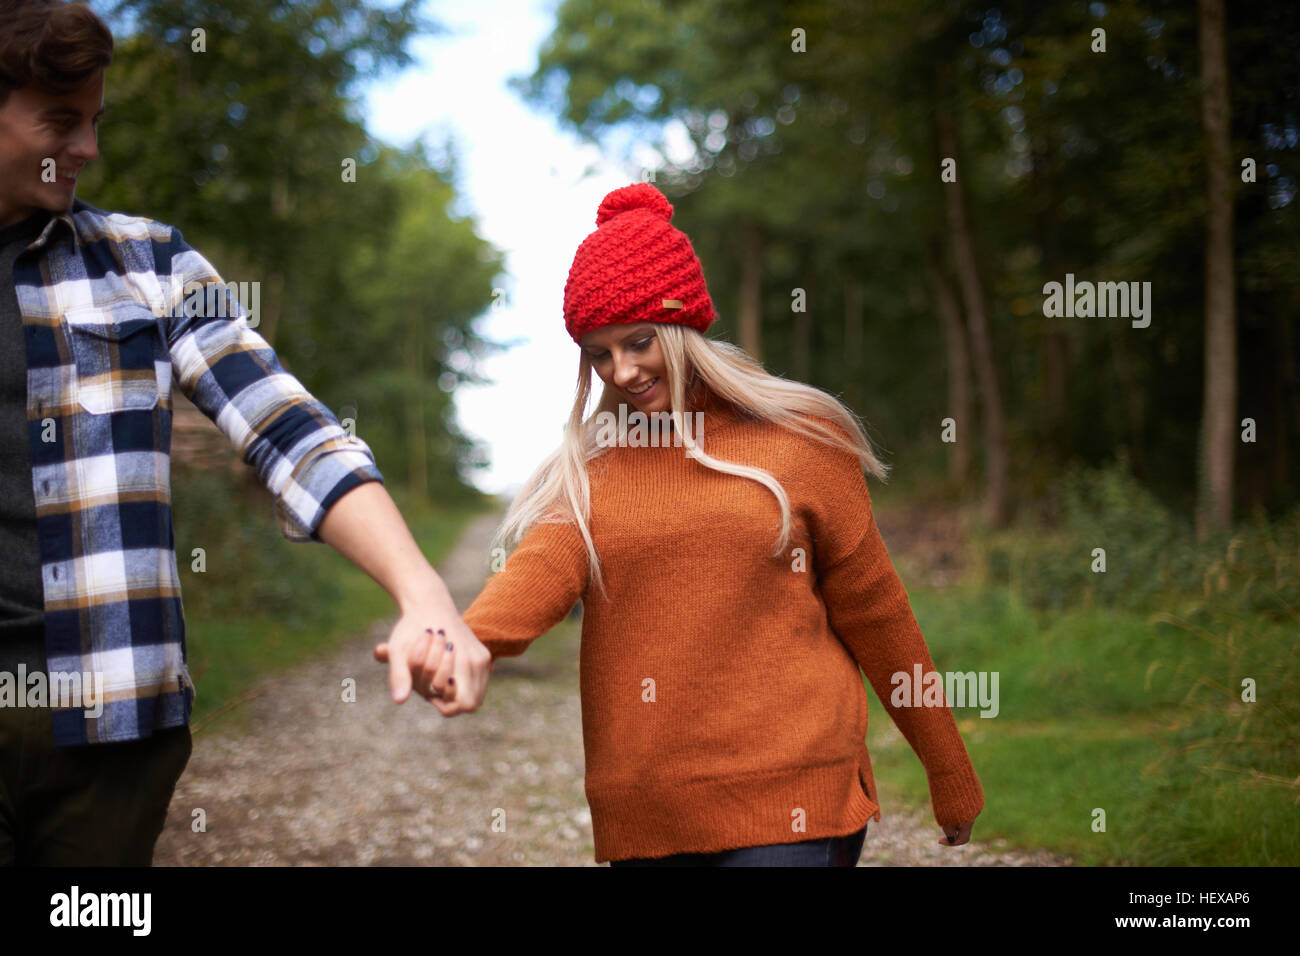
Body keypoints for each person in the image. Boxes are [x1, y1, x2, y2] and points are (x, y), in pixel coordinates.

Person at [0, 0, 491, 866]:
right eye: (60, 122)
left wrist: (424, 594)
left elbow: (290, 431)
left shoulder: (148, 265)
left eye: (96, 122)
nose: (89, 149)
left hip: (112, 731)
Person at [436, 181, 985, 866]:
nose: (623, 371)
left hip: (795, 798)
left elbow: (877, 611)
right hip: (649, 814)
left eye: (639, 343)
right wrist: (468, 641)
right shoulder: (593, 474)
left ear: (682, 328)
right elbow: (535, 576)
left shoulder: (800, 440)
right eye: (599, 354)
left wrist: (947, 765)